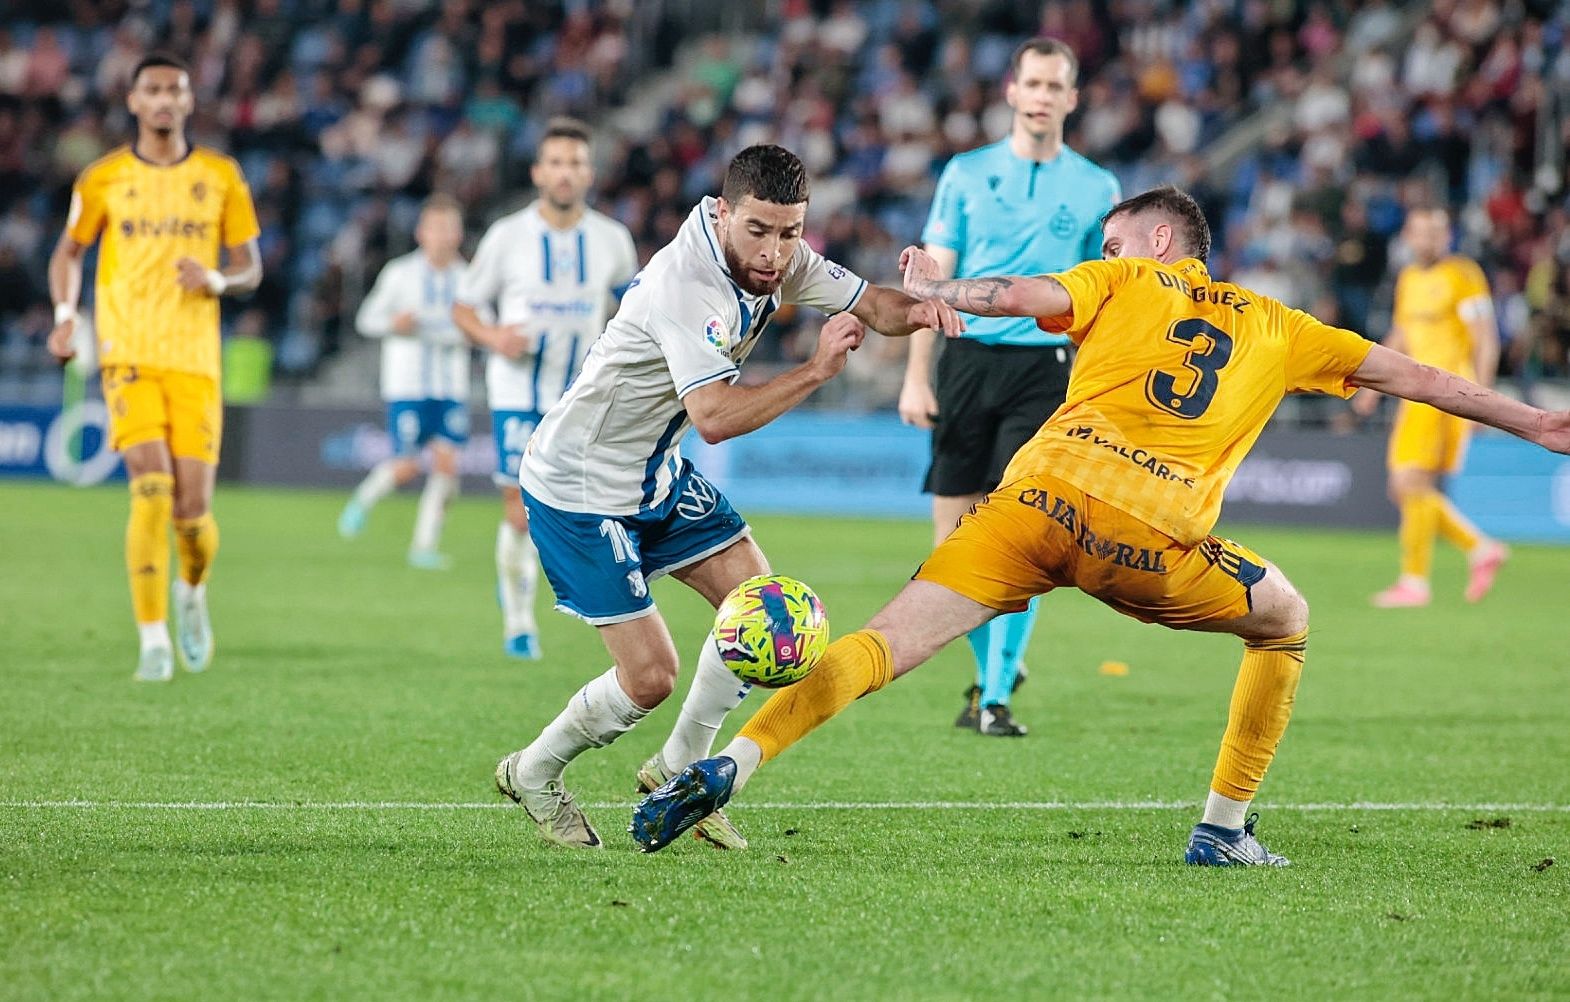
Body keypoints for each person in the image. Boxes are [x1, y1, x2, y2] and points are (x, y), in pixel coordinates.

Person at [632, 186, 1570, 864]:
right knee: (1284, 618)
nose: (1106, 252)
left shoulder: (1121, 281)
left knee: (882, 644)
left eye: (1116, 241)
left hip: (1032, 503)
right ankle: (1222, 831)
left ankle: (734, 764)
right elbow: (1417, 378)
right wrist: (1532, 420)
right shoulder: (1286, 327)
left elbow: (1021, 296)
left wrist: (936, 294)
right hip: (1150, 543)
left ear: (1161, 238)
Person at [492, 144, 963, 849]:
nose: (776, 253)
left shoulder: (781, 255)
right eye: (760, 232)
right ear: (721, 214)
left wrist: (935, 304)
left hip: (652, 470)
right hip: (580, 484)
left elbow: (876, 305)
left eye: (791, 232)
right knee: (650, 677)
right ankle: (533, 770)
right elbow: (713, 416)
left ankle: (679, 772)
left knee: (766, 614)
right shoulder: (688, 285)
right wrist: (815, 371)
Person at [898, 38, 1120, 737]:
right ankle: (998, 660)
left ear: (1071, 99)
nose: (1044, 96)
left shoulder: (1097, 188)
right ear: (1012, 92)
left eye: (1057, 86)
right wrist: (915, 376)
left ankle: (992, 696)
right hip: (964, 361)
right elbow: (933, 282)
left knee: (1020, 532)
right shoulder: (965, 174)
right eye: (1034, 83)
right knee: (955, 545)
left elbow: (1101, 299)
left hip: (1044, 369)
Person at [45, 53, 262, 683]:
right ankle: (152, 640)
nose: (164, 100)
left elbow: (252, 265)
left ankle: (191, 593)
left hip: (195, 363)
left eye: (175, 89)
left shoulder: (221, 175)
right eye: (153, 91)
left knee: (192, 517)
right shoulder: (103, 178)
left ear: (190, 100)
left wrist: (218, 278)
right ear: (134, 102)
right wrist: (65, 313)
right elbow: (68, 252)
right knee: (151, 490)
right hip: (127, 357)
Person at [452, 118, 638, 659]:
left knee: (583, 507)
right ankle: (518, 623)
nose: (565, 173)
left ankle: (535, 584)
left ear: (589, 172)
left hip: (581, 397)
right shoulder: (507, 236)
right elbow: (463, 306)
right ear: (537, 172)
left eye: (575, 163)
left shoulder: (612, 239)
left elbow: (629, 305)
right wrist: (493, 336)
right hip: (515, 391)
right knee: (520, 507)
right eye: (555, 162)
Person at [1354, 205, 1507, 607]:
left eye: (1437, 232)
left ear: (1448, 236)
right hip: (1413, 394)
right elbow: (1403, 333)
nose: (1429, 240)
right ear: (1408, 236)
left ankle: (1415, 581)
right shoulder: (1408, 278)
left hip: (1447, 392)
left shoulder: (1463, 274)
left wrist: (1483, 397)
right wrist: (1371, 386)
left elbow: (1485, 337)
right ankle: (1479, 548)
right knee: (1403, 487)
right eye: (1421, 232)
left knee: (1408, 484)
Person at [338, 193, 471, 569]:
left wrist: (471, 331)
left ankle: (423, 547)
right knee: (408, 465)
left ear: (458, 234)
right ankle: (362, 501)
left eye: (450, 228)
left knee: (448, 468)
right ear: (421, 233)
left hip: (451, 388)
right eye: (436, 227)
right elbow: (366, 320)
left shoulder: (468, 278)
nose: (443, 236)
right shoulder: (400, 274)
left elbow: (484, 326)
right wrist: (393, 325)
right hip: (408, 386)